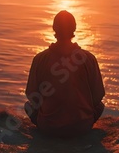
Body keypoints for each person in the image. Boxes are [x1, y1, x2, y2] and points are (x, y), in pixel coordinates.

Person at [24, 10, 105, 138]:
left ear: (54, 29)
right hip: (81, 127)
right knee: (101, 106)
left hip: (49, 127)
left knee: (27, 106)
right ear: (74, 29)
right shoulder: (88, 58)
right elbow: (98, 95)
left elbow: (31, 95)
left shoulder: (40, 58)